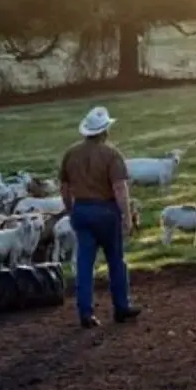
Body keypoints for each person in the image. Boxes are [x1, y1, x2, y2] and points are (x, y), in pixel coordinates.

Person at [59, 106, 141, 328]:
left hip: (82, 211)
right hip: (106, 211)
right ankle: (121, 307)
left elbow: (64, 188)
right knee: (116, 260)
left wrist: (70, 210)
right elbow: (119, 188)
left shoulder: (71, 153)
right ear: (105, 131)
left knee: (84, 263)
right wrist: (126, 216)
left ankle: (85, 312)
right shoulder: (112, 155)